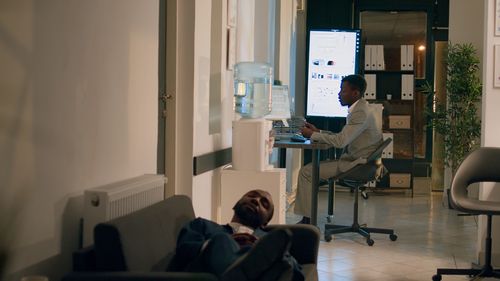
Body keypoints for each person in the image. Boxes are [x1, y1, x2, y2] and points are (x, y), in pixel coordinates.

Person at [295, 74, 383, 224]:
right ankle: (307, 218)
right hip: (365, 162)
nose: (339, 94)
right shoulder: (364, 108)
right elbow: (343, 136)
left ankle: (307, 221)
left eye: (343, 90)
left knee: (306, 172)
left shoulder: (360, 113)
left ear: (355, 93)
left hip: (358, 165)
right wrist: (318, 132)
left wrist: (312, 134)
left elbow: (341, 141)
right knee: (310, 170)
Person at [172, 189, 304, 281]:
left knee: (281, 261)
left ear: (265, 223)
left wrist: (258, 246)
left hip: (259, 265)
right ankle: (236, 269)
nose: (256, 200)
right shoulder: (203, 225)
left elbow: (297, 272)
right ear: (236, 203)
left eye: (264, 204)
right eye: (252, 196)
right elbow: (184, 251)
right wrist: (221, 245)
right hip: (210, 273)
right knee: (222, 240)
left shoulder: (268, 241)